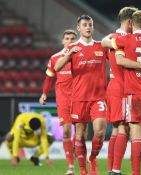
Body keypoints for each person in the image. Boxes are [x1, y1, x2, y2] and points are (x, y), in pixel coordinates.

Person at [107, 10, 141, 175]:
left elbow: (115, 54)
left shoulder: (126, 39)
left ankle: (135, 172)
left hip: (136, 91)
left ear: (132, 23)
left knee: (135, 132)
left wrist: (139, 65)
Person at [54, 15, 108, 175]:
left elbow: (117, 60)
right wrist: (69, 54)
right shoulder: (73, 48)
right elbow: (57, 67)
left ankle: (92, 158)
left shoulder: (101, 46)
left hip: (98, 97)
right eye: (84, 25)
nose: (88, 27)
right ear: (79, 28)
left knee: (100, 131)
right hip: (79, 98)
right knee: (81, 134)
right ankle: (83, 170)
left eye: (90, 24)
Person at [104, 6, 138, 175]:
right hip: (123, 87)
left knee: (117, 130)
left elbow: (104, 43)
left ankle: (111, 169)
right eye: (136, 22)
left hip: (113, 86)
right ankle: (116, 170)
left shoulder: (113, 38)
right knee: (124, 128)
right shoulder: (124, 39)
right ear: (130, 21)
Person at [39, 29, 77, 175]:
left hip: (80, 97)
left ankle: (78, 152)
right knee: (67, 131)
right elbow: (49, 78)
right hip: (63, 98)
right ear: (63, 41)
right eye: (67, 38)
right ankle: (70, 167)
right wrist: (44, 94)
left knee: (80, 133)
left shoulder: (81, 56)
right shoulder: (55, 58)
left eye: (73, 38)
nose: (70, 41)